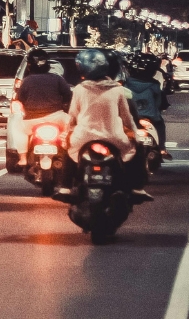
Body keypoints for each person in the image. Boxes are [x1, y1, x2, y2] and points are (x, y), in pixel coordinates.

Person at [54, 48, 152, 203]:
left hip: (83, 137)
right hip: (113, 137)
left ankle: (65, 187)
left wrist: (67, 134)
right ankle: (138, 188)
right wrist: (135, 134)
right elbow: (127, 117)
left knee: (66, 148)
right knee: (139, 148)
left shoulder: (80, 89)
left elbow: (72, 116)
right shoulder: (118, 89)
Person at [9, 48, 72, 166]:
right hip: (57, 117)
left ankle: (23, 158)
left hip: (31, 120)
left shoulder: (26, 81)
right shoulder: (57, 79)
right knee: (71, 125)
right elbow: (68, 96)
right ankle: (68, 150)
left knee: (17, 127)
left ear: (29, 65)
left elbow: (19, 99)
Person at [127, 53, 171, 160]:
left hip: (129, 117)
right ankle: (161, 149)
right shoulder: (154, 85)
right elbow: (161, 103)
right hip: (151, 117)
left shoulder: (125, 84)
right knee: (160, 124)